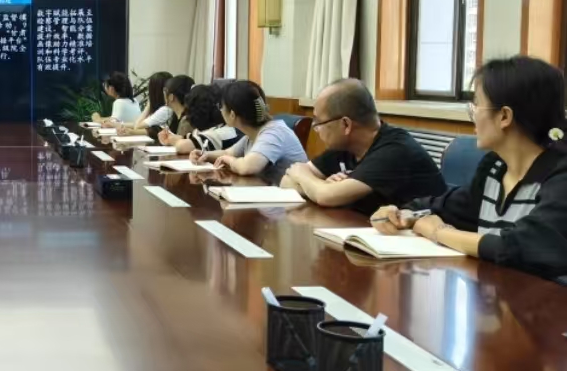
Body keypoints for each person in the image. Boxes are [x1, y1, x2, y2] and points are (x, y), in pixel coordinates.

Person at [373, 56, 567, 281]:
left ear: (504, 116)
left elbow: (520, 247)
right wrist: (403, 215)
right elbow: (441, 207)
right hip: (497, 293)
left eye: (476, 105)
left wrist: (439, 232)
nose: (473, 115)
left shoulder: (560, 176)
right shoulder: (494, 169)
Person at [282, 79, 445, 214]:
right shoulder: (344, 146)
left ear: (345, 124)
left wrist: (302, 174)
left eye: (319, 122)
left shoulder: (394, 150)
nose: (315, 128)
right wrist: (319, 185)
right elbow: (286, 182)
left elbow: (326, 196)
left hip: (423, 237)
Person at [192, 80, 307, 185]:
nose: (220, 110)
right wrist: (206, 155)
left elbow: (246, 167)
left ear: (232, 115)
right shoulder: (253, 135)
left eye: (221, 106)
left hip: (291, 199)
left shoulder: (273, 133)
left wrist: (229, 160)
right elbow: (228, 153)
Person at [160, 85, 243, 154]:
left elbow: (182, 146)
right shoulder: (218, 129)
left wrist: (174, 141)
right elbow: (190, 138)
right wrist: (171, 139)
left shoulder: (219, 133)